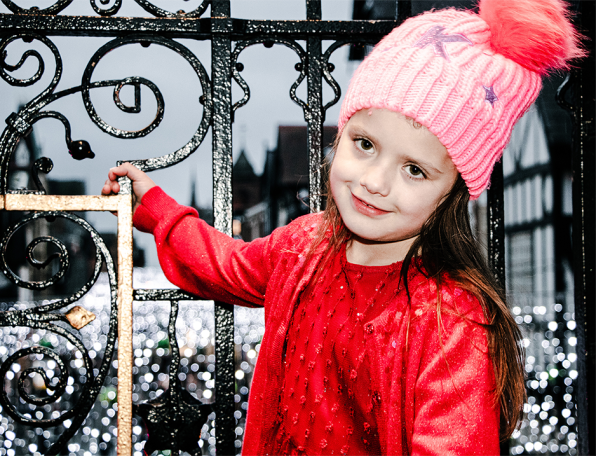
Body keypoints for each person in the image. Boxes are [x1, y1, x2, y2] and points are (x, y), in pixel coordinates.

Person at [102, 0, 583, 454]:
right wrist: (159, 208)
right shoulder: (301, 246)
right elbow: (225, 265)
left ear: (453, 191)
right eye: (365, 144)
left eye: (414, 169)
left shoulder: (450, 322)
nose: (374, 182)